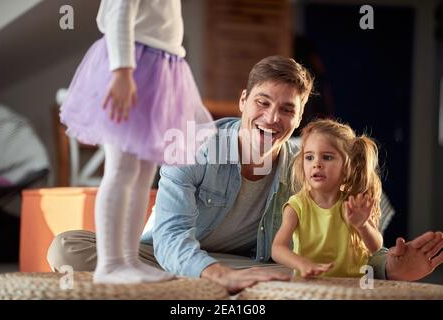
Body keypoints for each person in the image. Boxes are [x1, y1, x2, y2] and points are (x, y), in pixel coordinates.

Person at [49, 56, 443, 293]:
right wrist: (214, 271)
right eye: (263, 102)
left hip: (259, 265)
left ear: (301, 115)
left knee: (296, 274)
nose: (273, 118)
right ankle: (220, 286)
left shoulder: (307, 161)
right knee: (68, 249)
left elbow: (350, 231)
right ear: (243, 100)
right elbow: (170, 239)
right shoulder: (192, 145)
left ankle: (215, 290)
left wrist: (386, 265)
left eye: (287, 109)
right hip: (170, 257)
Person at [59, 0, 215, 284]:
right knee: (121, 169)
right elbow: (119, 12)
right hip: (132, 65)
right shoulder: (125, 66)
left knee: (143, 174)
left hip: (161, 68)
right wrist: (121, 71)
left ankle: (129, 259)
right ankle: (110, 263)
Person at [272, 119, 385, 277]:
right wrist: (302, 264)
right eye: (309, 157)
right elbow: (277, 248)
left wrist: (363, 225)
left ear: (347, 168)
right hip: (311, 286)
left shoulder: (353, 203)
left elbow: (376, 247)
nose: (316, 164)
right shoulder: (296, 205)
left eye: (327, 157)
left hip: (352, 288)